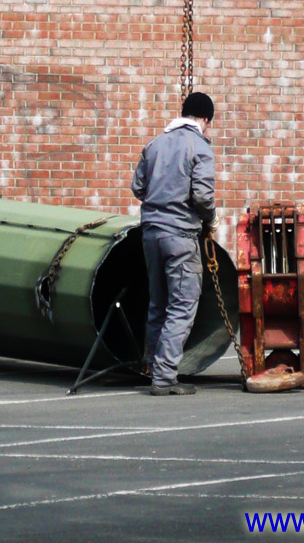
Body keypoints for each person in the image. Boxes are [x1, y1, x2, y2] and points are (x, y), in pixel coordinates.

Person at [130, 91, 216, 396]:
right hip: (180, 236)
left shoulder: (154, 144)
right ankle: (165, 377)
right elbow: (203, 197)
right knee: (182, 305)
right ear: (205, 119)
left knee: (158, 304)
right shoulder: (200, 148)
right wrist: (209, 218)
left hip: (151, 233)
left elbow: (138, 187)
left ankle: (153, 368)